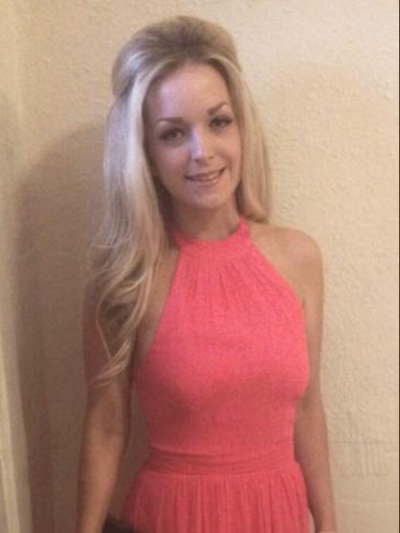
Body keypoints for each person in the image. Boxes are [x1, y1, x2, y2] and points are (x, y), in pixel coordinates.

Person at [76, 15, 338, 533]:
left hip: (276, 514)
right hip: (174, 517)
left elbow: (308, 409)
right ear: (147, 155)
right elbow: (106, 426)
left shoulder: (299, 259)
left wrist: (328, 524)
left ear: (241, 128)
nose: (203, 152)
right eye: (173, 133)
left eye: (219, 122)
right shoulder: (125, 278)